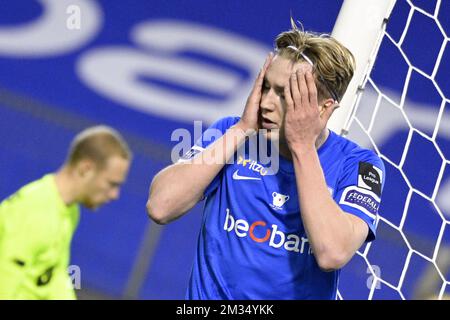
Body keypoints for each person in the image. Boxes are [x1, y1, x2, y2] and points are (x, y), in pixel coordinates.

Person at [147, 20, 385, 299]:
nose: (266, 103)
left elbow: (333, 252)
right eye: (266, 87)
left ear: (324, 108)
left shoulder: (359, 165)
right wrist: (241, 130)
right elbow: (160, 207)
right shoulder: (231, 133)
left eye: (285, 95)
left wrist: (302, 147)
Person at [0, 125, 131, 299]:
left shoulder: (69, 210)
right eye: (111, 184)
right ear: (86, 169)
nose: (115, 195)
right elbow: (4, 283)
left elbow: (56, 276)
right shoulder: (36, 210)